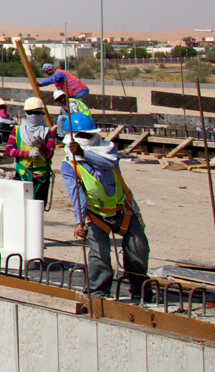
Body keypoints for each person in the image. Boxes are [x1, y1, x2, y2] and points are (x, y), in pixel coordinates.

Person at [61, 117, 149, 300]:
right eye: (82, 135)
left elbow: (109, 163)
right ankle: (98, 293)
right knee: (99, 255)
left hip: (123, 209)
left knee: (138, 248)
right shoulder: (69, 164)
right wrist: (79, 221)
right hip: (96, 216)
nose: (87, 137)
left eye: (89, 134)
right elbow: (76, 194)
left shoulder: (108, 150)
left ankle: (141, 290)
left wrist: (84, 153)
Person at [8, 97, 58, 202]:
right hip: (22, 174)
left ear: (42, 114)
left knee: (37, 210)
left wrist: (42, 148)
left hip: (41, 178)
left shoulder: (49, 132)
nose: (33, 116)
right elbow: (9, 150)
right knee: (20, 207)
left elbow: (50, 154)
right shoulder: (17, 131)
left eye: (37, 112)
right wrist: (27, 154)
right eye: (30, 113)